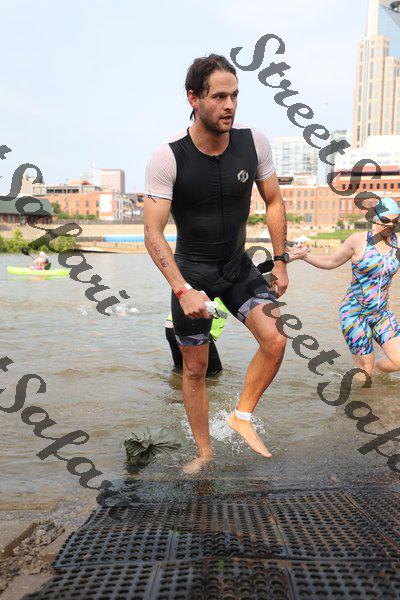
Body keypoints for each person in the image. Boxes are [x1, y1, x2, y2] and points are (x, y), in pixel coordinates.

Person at [144, 54, 288, 473]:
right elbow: (153, 233)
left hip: (237, 267)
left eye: (235, 96)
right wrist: (182, 290)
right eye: (220, 97)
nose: (230, 105)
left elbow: (274, 201)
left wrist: (281, 261)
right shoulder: (168, 156)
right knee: (195, 370)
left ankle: (241, 417)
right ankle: (204, 454)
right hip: (193, 275)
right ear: (193, 98)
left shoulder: (253, 142)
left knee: (276, 340)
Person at [291, 197, 400, 377]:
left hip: (382, 314)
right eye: (386, 220)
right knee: (365, 370)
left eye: (396, 221)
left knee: (397, 361)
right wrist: (305, 256)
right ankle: (364, 385)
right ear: (374, 218)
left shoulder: (397, 243)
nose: (391, 225)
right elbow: (330, 261)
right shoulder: (358, 241)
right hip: (355, 314)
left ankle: (379, 375)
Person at [165, 297, 228, 376]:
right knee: (213, 373)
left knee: (181, 370)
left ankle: (175, 383)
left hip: (172, 325)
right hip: (195, 330)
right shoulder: (225, 290)